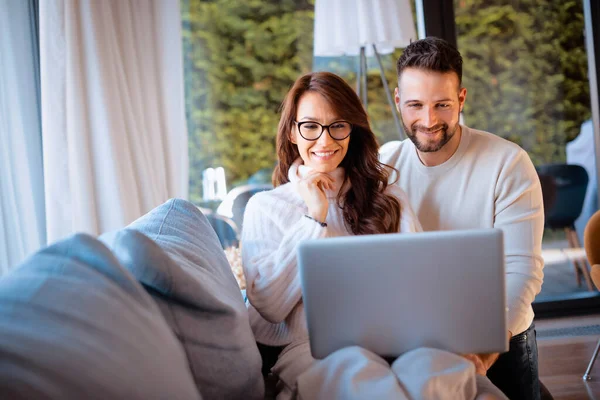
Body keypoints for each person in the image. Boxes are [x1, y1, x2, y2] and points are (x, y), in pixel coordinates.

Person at [242, 71, 508, 400]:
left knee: (440, 377)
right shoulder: (265, 207)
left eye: (338, 125)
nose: (324, 141)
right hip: (314, 352)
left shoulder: (389, 199)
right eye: (310, 126)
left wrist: (451, 345)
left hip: (403, 342)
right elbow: (269, 304)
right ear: (293, 133)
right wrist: (315, 218)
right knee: (360, 377)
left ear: (352, 131)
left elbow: (424, 283)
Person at [380, 37, 545, 400]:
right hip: (415, 336)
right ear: (397, 101)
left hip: (498, 331)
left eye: (442, 104)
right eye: (415, 105)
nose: (428, 120)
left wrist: (484, 351)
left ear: (462, 99)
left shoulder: (508, 163)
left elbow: (523, 271)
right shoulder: (385, 165)